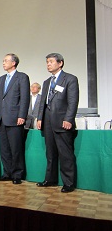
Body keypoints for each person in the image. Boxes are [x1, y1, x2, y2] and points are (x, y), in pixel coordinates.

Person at [36, 53, 79, 193]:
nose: (48, 64)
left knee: (65, 153)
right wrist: (40, 118)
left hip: (62, 121)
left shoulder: (70, 79)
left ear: (60, 63)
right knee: (50, 152)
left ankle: (68, 183)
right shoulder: (47, 81)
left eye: (51, 62)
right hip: (47, 121)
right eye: (47, 62)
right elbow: (43, 102)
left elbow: (73, 102)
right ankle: (50, 179)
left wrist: (68, 119)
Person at [0, 53, 30, 184]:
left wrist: (22, 115)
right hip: (2, 118)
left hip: (15, 118)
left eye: (6, 61)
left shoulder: (22, 77)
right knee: (5, 149)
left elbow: (25, 98)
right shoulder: (1, 79)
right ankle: (7, 172)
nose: (3, 63)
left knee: (16, 148)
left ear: (13, 63)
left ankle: (17, 174)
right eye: (3, 61)